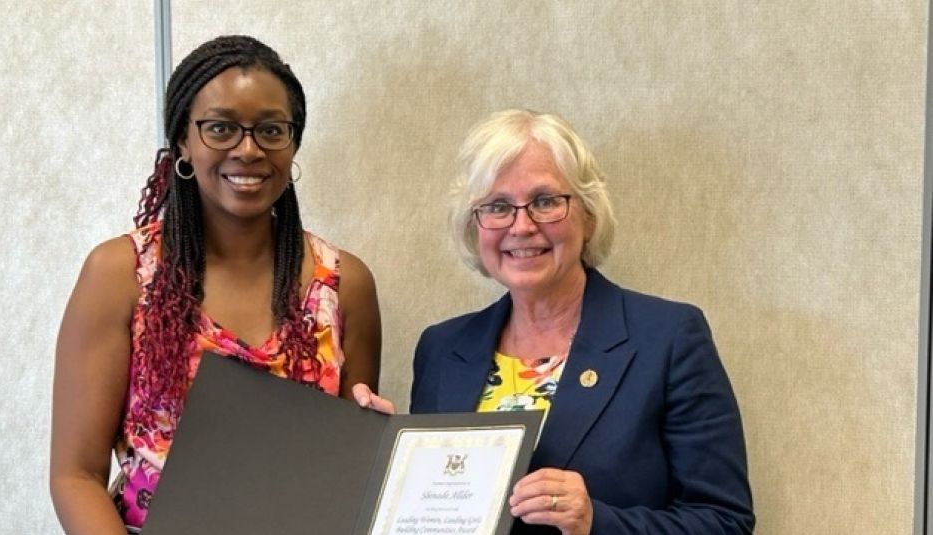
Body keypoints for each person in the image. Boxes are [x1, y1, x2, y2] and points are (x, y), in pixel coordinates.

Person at [50, 35, 381, 534]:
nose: (248, 150)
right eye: (221, 128)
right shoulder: (121, 275)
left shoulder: (344, 285)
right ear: (183, 139)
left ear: (292, 143)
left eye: (271, 130)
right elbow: (75, 475)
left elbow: (345, 473)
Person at [409, 109, 754, 533]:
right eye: (498, 206)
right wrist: (380, 453)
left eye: (545, 201)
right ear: (473, 226)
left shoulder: (669, 338)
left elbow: (724, 521)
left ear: (588, 216)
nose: (522, 225)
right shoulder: (440, 350)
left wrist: (597, 522)